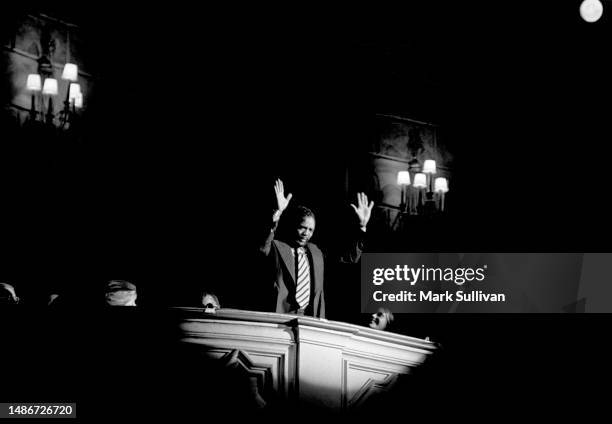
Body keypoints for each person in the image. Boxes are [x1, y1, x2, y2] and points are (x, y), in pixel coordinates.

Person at [259, 179, 374, 318]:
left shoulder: (317, 252)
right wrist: (277, 213)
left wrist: (362, 227)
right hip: (281, 314)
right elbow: (263, 245)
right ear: (294, 226)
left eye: (310, 230)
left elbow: (350, 258)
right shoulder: (278, 247)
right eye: (302, 227)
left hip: (311, 317)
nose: (306, 233)